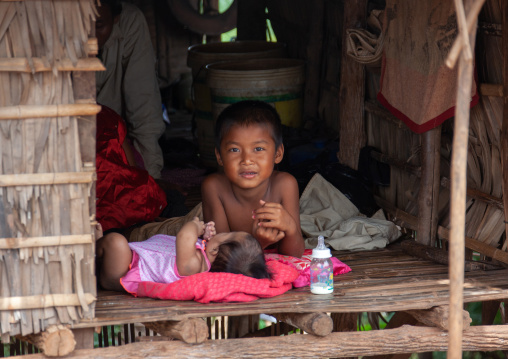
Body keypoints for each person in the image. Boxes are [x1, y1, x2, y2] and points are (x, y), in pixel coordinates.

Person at [201, 100, 305, 258]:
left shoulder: (285, 185)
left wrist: (290, 227)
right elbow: (220, 254)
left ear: (278, 153)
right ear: (219, 156)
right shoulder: (214, 187)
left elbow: (294, 254)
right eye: (234, 149)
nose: (247, 160)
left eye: (258, 149)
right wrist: (259, 243)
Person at [96, 217, 271, 293]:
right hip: (131, 259)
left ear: (215, 250)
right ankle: (99, 253)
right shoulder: (202, 255)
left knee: (115, 242)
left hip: (122, 274)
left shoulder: (195, 266)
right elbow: (193, 244)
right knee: (116, 245)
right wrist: (206, 240)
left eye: (227, 235)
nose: (223, 232)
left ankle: (96, 255)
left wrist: (195, 226)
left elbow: (184, 237)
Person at [95, 0, 165, 179]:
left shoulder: (130, 23)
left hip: (113, 142)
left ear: (116, 19)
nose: (88, 35)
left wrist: (152, 178)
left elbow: (144, 102)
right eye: (78, 25)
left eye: (99, 26)